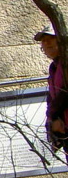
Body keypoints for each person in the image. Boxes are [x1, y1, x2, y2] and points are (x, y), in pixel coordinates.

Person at [35, 24, 68, 152]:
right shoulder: (54, 67)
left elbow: (65, 92)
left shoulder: (65, 62)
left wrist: (53, 114)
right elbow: (53, 97)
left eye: (51, 38)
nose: (47, 43)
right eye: (43, 40)